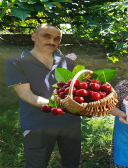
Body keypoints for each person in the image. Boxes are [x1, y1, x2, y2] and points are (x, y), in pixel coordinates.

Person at [4, 23, 81, 168]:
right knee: (36, 164)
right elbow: (25, 94)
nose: (52, 42)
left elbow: (73, 90)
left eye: (57, 38)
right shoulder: (15, 62)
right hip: (37, 124)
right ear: (33, 36)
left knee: (71, 163)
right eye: (47, 36)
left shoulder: (67, 62)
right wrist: (55, 105)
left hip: (70, 121)